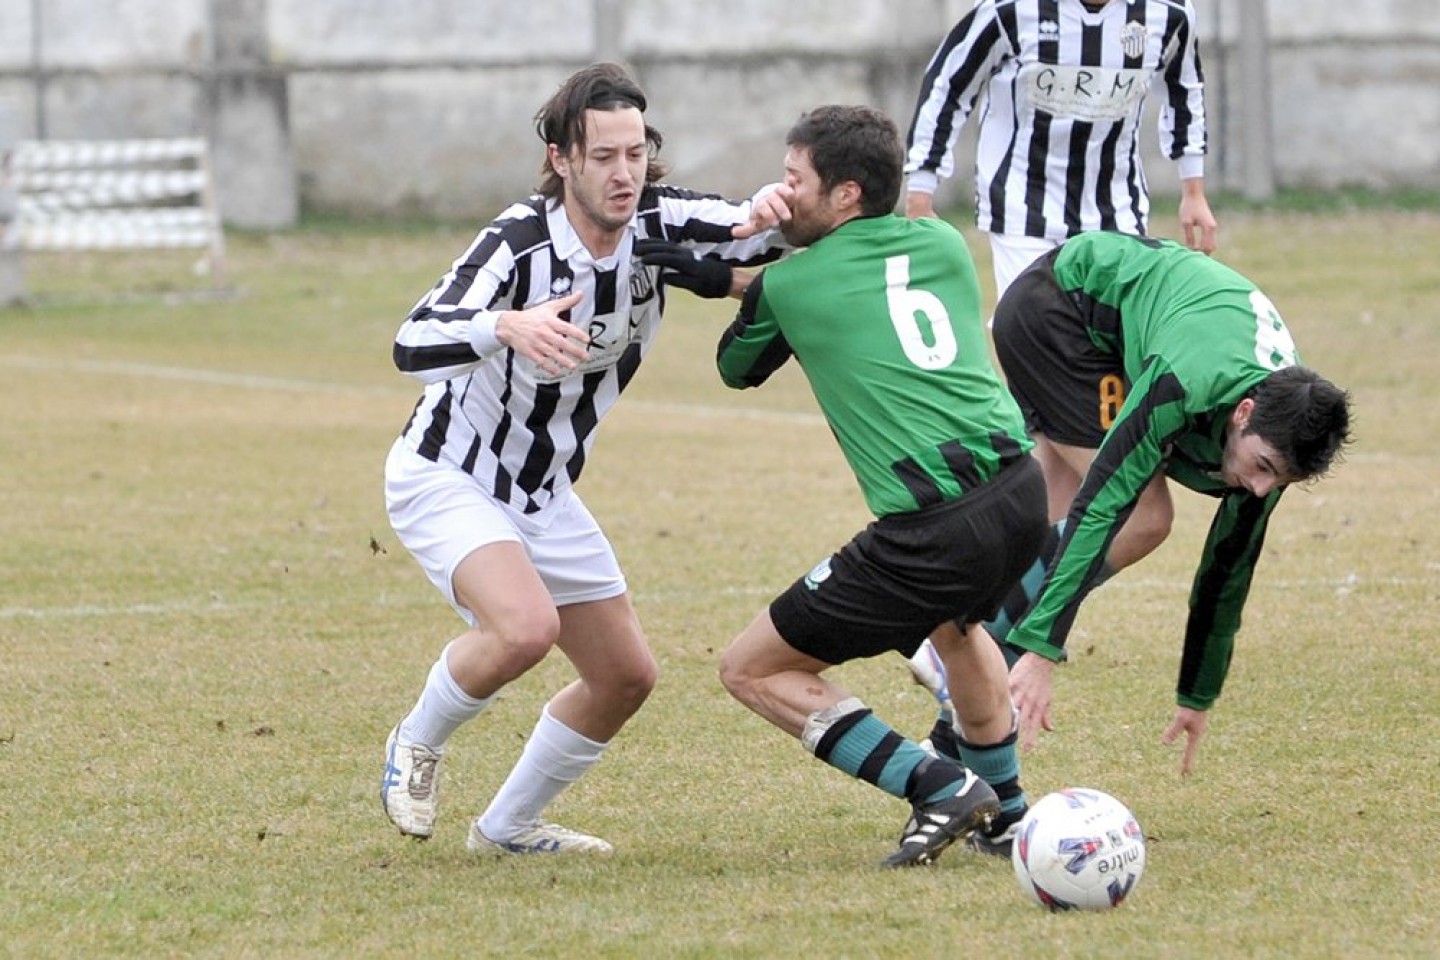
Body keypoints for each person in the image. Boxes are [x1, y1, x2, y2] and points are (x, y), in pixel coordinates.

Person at [379, 62, 789, 855]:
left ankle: (507, 829)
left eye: (635, 152)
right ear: (563, 159)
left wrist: (774, 209)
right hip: (449, 473)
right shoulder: (518, 242)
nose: (624, 172)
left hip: (544, 491)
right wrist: (505, 327)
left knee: (625, 677)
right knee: (524, 628)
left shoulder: (657, 223)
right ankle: (415, 742)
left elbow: (748, 225)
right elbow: (411, 339)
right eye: (603, 156)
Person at [713, 104, 1051, 867]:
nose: (782, 192)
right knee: (958, 631)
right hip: (1023, 494)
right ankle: (1007, 817)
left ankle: (938, 785)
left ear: (846, 196)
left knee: (753, 667)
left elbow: (738, 368)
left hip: (933, 529)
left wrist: (748, 271)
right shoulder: (942, 242)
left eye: (795, 180)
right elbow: (855, 290)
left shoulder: (791, 286)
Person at [948, 231, 1352, 780]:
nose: (1260, 489)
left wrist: (1197, 691)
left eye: (1278, 480)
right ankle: (978, 646)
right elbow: (1106, 501)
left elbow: (1228, 568)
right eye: (1260, 468)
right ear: (1243, 412)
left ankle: (962, 627)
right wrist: (1042, 649)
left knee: (1050, 512)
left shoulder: (1272, 443)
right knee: (1143, 515)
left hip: (1113, 334)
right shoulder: (1189, 381)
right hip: (1057, 310)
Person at [903, 0, 1218, 300]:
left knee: (1112, 341)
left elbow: (1183, 90)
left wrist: (1194, 191)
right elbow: (947, 85)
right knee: (1032, 336)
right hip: (1021, 205)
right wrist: (921, 188)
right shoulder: (1009, 9)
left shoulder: (1168, 12)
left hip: (1117, 208)